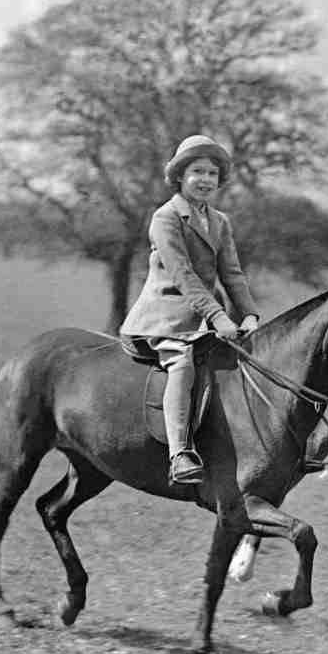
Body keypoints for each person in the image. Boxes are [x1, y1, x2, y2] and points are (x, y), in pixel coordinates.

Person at [121, 134, 260, 485]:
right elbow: (184, 276)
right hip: (164, 320)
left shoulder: (220, 221)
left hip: (206, 319)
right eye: (197, 171)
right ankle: (180, 453)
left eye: (212, 173)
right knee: (182, 364)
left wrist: (249, 314)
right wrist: (220, 317)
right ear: (180, 176)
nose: (206, 180)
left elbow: (232, 273)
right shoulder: (165, 218)